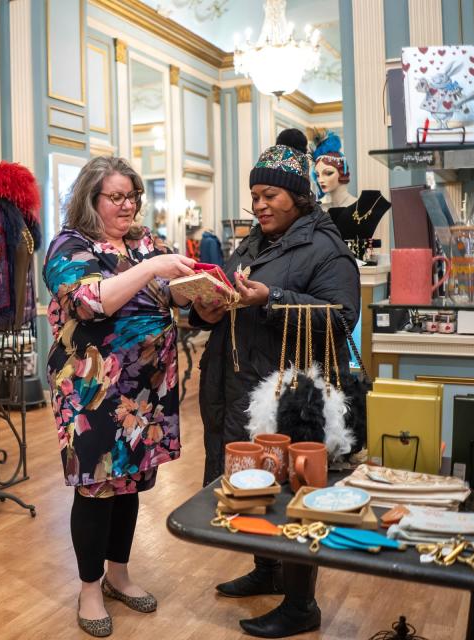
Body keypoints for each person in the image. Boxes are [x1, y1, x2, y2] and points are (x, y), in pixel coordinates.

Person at [192, 129, 361, 638]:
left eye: (269, 196)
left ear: (298, 197)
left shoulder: (326, 248)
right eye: (255, 198)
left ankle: (301, 602)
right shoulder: (253, 241)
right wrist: (206, 308)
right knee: (252, 483)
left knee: (294, 492)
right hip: (236, 384)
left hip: (290, 397)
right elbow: (228, 296)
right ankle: (266, 570)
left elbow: (341, 317)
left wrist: (272, 296)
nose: (259, 206)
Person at [42, 156, 196, 637]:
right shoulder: (70, 246)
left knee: (129, 483)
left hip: (146, 389)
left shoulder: (145, 241)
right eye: (117, 197)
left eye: (133, 196)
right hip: (92, 391)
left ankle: (119, 573)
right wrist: (151, 266)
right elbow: (90, 302)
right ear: (92, 199)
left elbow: (173, 294)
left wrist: (195, 288)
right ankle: (90, 589)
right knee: (96, 486)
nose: (128, 205)